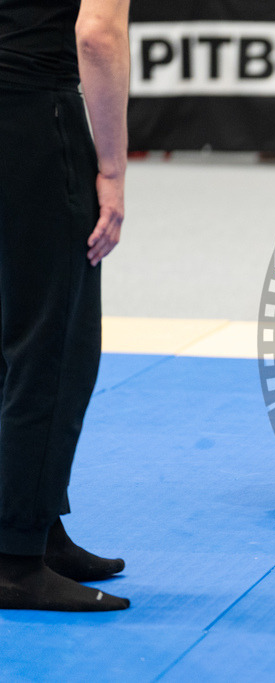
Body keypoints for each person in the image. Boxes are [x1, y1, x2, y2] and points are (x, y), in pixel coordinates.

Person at [0, 0, 131, 611]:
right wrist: (111, 169)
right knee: (55, 344)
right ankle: (15, 563)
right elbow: (98, 36)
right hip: (32, 114)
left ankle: (34, 525)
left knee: (12, 335)